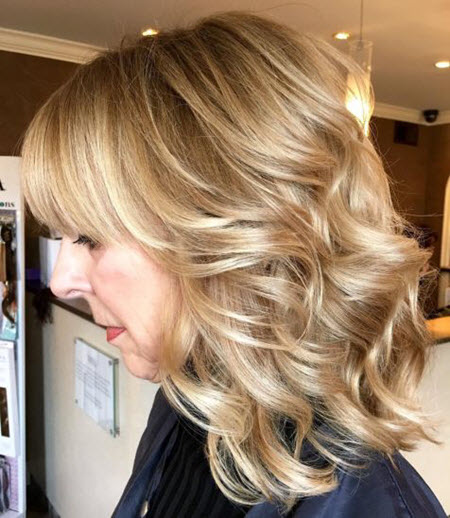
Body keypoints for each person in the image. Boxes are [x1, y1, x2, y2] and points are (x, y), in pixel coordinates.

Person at [20, 9, 446, 518]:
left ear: (233, 232)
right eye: (61, 236)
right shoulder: (189, 401)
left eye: (90, 237)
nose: (61, 282)